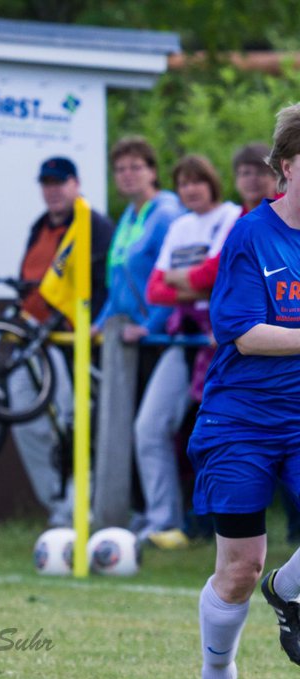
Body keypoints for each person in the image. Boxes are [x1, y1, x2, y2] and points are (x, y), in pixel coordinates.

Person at [184, 103, 300, 679]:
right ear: (284, 167)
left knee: (267, 573)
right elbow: (244, 332)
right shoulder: (252, 236)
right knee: (238, 568)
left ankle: (286, 590)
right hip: (242, 422)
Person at [136, 156, 241, 550]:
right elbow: (155, 290)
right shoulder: (180, 225)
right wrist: (197, 286)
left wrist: (193, 283)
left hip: (225, 346)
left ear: (213, 182)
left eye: (198, 180)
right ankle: (164, 522)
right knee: (149, 428)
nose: (191, 189)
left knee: (220, 437)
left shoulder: (232, 216)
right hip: (185, 342)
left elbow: (217, 276)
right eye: (183, 183)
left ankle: (225, 529)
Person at [12, 156, 114, 527]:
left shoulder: (94, 226)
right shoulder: (39, 226)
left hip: (77, 343)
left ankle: (81, 505)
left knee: (77, 423)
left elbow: (106, 281)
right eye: (46, 183)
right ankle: (57, 502)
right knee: (25, 419)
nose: (52, 190)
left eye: (59, 182)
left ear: (76, 184)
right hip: (34, 340)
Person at [94, 136, 185, 342]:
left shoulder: (167, 214)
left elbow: (175, 282)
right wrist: (99, 324)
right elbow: (119, 283)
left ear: (152, 172)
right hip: (129, 334)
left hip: (158, 337)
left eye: (135, 167)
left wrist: (149, 328)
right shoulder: (128, 216)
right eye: (120, 169)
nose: (127, 175)